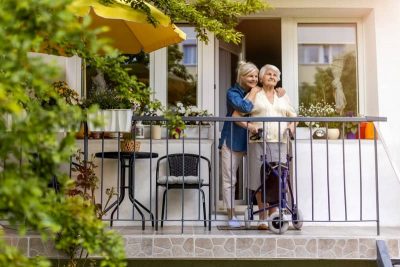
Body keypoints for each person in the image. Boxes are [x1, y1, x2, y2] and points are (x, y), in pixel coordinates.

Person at [233, 64, 296, 230]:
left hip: (280, 141)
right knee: (259, 179)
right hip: (258, 141)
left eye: (275, 75)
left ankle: (274, 216)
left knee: (277, 179)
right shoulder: (254, 94)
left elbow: (293, 116)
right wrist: (250, 126)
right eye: (269, 74)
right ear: (261, 78)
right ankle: (262, 217)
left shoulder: (283, 96)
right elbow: (236, 116)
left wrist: (291, 126)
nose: (273, 77)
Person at [219, 61, 261, 228]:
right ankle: (231, 215)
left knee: (257, 178)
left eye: (256, 76)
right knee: (230, 179)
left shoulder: (258, 91)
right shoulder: (232, 92)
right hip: (232, 140)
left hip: (253, 141)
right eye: (250, 75)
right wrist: (253, 93)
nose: (254, 79)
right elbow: (243, 107)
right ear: (242, 77)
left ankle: (258, 213)